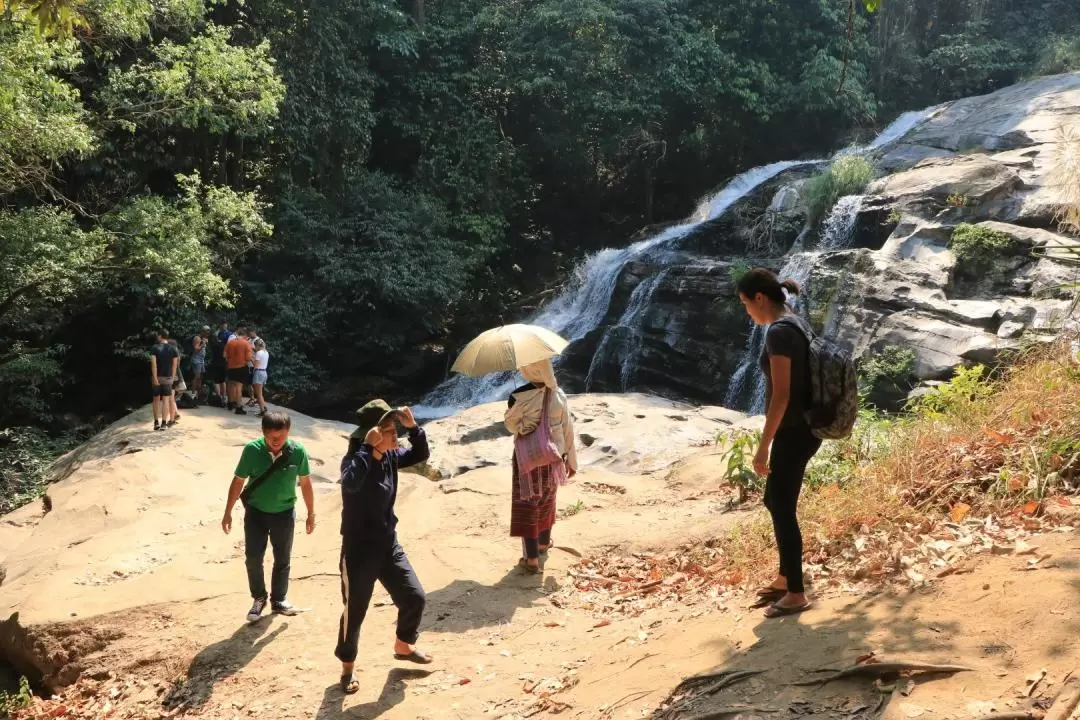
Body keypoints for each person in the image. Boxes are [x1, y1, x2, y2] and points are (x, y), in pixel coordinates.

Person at [736, 268, 820, 619]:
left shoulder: (779, 333)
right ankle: (787, 576)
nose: (746, 312)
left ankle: (796, 592)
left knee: (782, 506)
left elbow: (781, 396)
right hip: (805, 427)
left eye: (745, 303)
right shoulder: (795, 322)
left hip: (794, 431)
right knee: (775, 499)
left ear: (759, 298)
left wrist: (762, 445)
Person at [336, 400, 432, 695]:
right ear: (373, 434)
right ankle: (347, 668)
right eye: (390, 430)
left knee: (414, 597)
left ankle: (403, 645)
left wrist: (413, 428)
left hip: (388, 544)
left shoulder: (391, 457)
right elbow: (349, 484)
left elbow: (419, 453)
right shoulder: (356, 459)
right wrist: (366, 449)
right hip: (359, 550)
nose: (396, 436)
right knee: (355, 612)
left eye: (396, 429)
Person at [222, 411, 316, 622]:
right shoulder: (252, 450)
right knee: (253, 558)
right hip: (256, 513)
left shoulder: (297, 452)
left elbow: (306, 483)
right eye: (271, 437)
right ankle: (259, 598)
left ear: (288, 433)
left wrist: (311, 513)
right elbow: (238, 481)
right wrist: (227, 511)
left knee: (282, 558)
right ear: (263, 433)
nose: (276, 442)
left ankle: (279, 600)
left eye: (281, 437)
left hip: (284, 513)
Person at [504, 359, 577, 574]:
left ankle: (532, 558)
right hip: (553, 456)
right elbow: (567, 428)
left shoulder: (518, 396)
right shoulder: (558, 394)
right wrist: (571, 460)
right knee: (547, 498)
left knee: (528, 503)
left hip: (526, 458)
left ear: (528, 370)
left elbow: (513, 426)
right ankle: (544, 544)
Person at [149, 330, 180, 432]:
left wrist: (155, 378)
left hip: (157, 377)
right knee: (166, 400)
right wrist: (173, 376)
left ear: (160, 336)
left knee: (156, 400)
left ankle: (156, 422)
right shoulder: (173, 349)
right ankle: (164, 423)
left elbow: (154, 365)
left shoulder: (154, 348)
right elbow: (175, 364)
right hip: (168, 378)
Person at [224, 324, 253, 415]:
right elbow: (248, 358)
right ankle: (239, 407)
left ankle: (230, 403)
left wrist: (230, 360)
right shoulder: (246, 343)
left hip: (230, 367)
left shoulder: (230, 342)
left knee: (231, 384)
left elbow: (224, 355)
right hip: (241, 367)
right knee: (238, 387)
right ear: (246, 335)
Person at [190, 326, 210, 401]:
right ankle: (193, 395)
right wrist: (203, 344)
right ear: (203, 331)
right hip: (196, 360)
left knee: (200, 378)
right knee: (196, 377)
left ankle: (199, 395)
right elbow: (196, 350)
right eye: (207, 332)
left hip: (202, 361)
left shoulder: (204, 338)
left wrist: (204, 342)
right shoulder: (197, 338)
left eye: (208, 333)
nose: (208, 334)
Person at [213, 320, 231, 400]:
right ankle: (223, 396)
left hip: (220, 361)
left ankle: (220, 396)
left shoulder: (224, 335)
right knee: (222, 380)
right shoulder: (228, 336)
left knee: (218, 380)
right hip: (222, 361)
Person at [252, 338, 269, 416]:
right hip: (264, 372)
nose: (255, 348)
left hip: (258, 372)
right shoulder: (266, 352)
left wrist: (251, 358)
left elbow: (256, 365)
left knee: (258, 394)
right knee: (260, 393)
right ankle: (264, 406)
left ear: (258, 346)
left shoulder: (259, 353)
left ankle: (262, 411)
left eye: (255, 346)